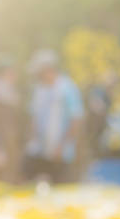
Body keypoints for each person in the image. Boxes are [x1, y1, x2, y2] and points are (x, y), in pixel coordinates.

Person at [24, 49, 86, 183]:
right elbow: (33, 117)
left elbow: (76, 119)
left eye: (40, 73)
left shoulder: (67, 88)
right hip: (40, 152)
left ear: (49, 70)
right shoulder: (39, 90)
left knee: (60, 187)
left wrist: (62, 146)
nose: (38, 77)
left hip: (61, 154)